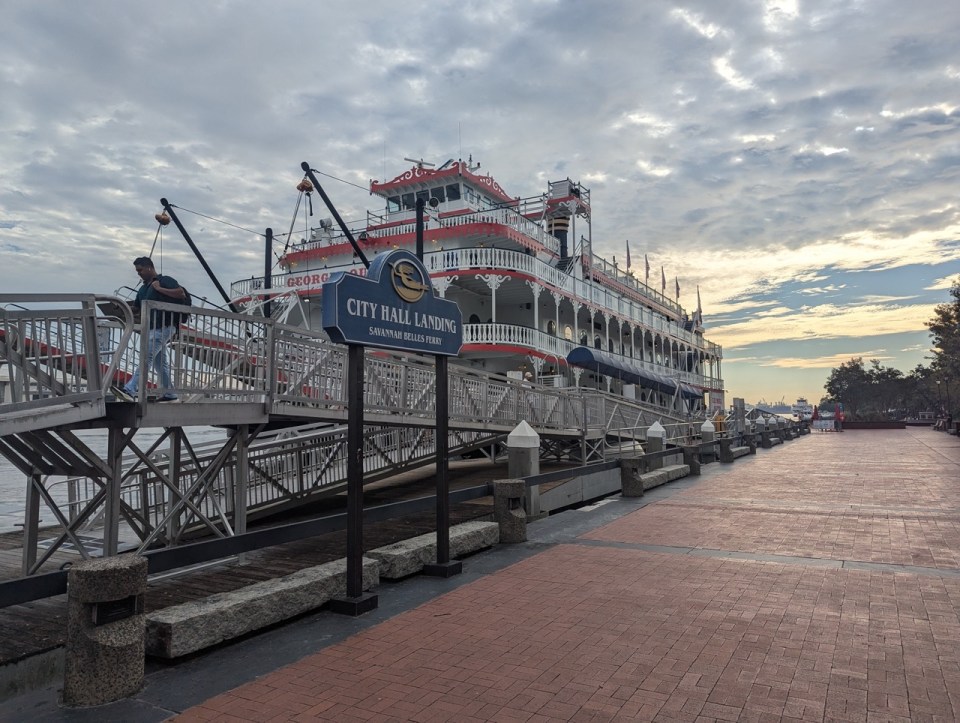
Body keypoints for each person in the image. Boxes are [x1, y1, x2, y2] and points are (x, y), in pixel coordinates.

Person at [121, 256, 185, 401]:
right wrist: (123, 307)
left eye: (140, 270)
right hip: (151, 328)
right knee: (160, 363)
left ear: (149, 267)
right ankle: (170, 392)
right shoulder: (143, 288)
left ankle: (130, 388)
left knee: (146, 357)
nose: (139, 273)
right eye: (137, 271)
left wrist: (159, 289)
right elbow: (137, 308)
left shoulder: (164, 280)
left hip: (165, 326)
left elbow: (180, 293)